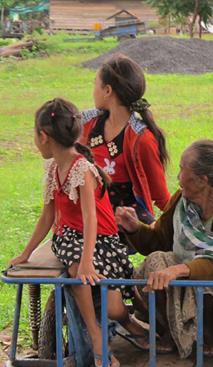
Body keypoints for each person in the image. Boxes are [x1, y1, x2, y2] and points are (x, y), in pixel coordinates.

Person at [8, 98, 149, 367]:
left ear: (44, 136)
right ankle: (96, 338)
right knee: (75, 269)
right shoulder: (52, 170)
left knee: (115, 308)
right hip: (72, 237)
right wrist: (26, 253)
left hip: (103, 240)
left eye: (34, 136)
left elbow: (90, 217)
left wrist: (88, 261)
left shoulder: (82, 169)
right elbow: (48, 216)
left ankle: (128, 322)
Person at [116, 139, 213, 358]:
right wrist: (134, 228)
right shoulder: (180, 200)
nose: (178, 177)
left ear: (201, 181)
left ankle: (210, 333)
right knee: (158, 260)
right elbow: (159, 241)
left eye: (181, 169)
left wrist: (179, 270)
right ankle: (170, 332)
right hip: (176, 287)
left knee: (194, 277)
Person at [80, 54, 170, 226]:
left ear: (107, 91)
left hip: (125, 221)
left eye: (94, 84)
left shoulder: (142, 140)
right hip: (88, 213)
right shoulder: (87, 124)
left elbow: (160, 195)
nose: (93, 90)